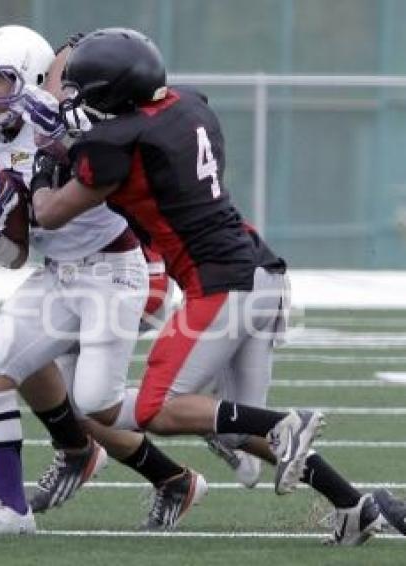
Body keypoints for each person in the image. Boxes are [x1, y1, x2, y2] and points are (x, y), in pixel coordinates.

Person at [23, 27, 406, 545]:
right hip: (263, 273)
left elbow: (48, 211)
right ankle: (354, 505)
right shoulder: (188, 106)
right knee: (233, 430)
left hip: (219, 285)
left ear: (114, 94)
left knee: (160, 409)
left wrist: (47, 160)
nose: (74, 100)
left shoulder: (113, 145)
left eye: (85, 91)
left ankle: (284, 423)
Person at [0, 25, 205, 536]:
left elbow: (121, 170)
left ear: (32, 76)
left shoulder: (76, 121)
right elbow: (14, 258)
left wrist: (66, 141)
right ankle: (11, 510)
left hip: (116, 268)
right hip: (58, 276)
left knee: (95, 405)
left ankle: (212, 418)